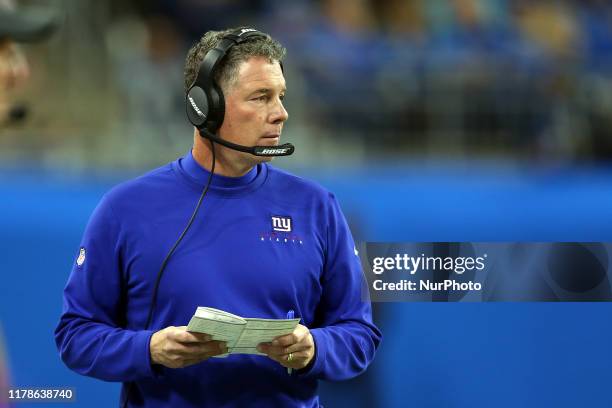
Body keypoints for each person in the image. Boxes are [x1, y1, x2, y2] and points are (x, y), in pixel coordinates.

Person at [55, 27, 381, 407]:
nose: (281, 114)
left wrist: (315, 348)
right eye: (261, 97)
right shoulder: (125, 209)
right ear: (205, 106)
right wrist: (149, 349)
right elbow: (75, 336)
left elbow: (360, 335)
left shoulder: (316, 206)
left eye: (281, 96)